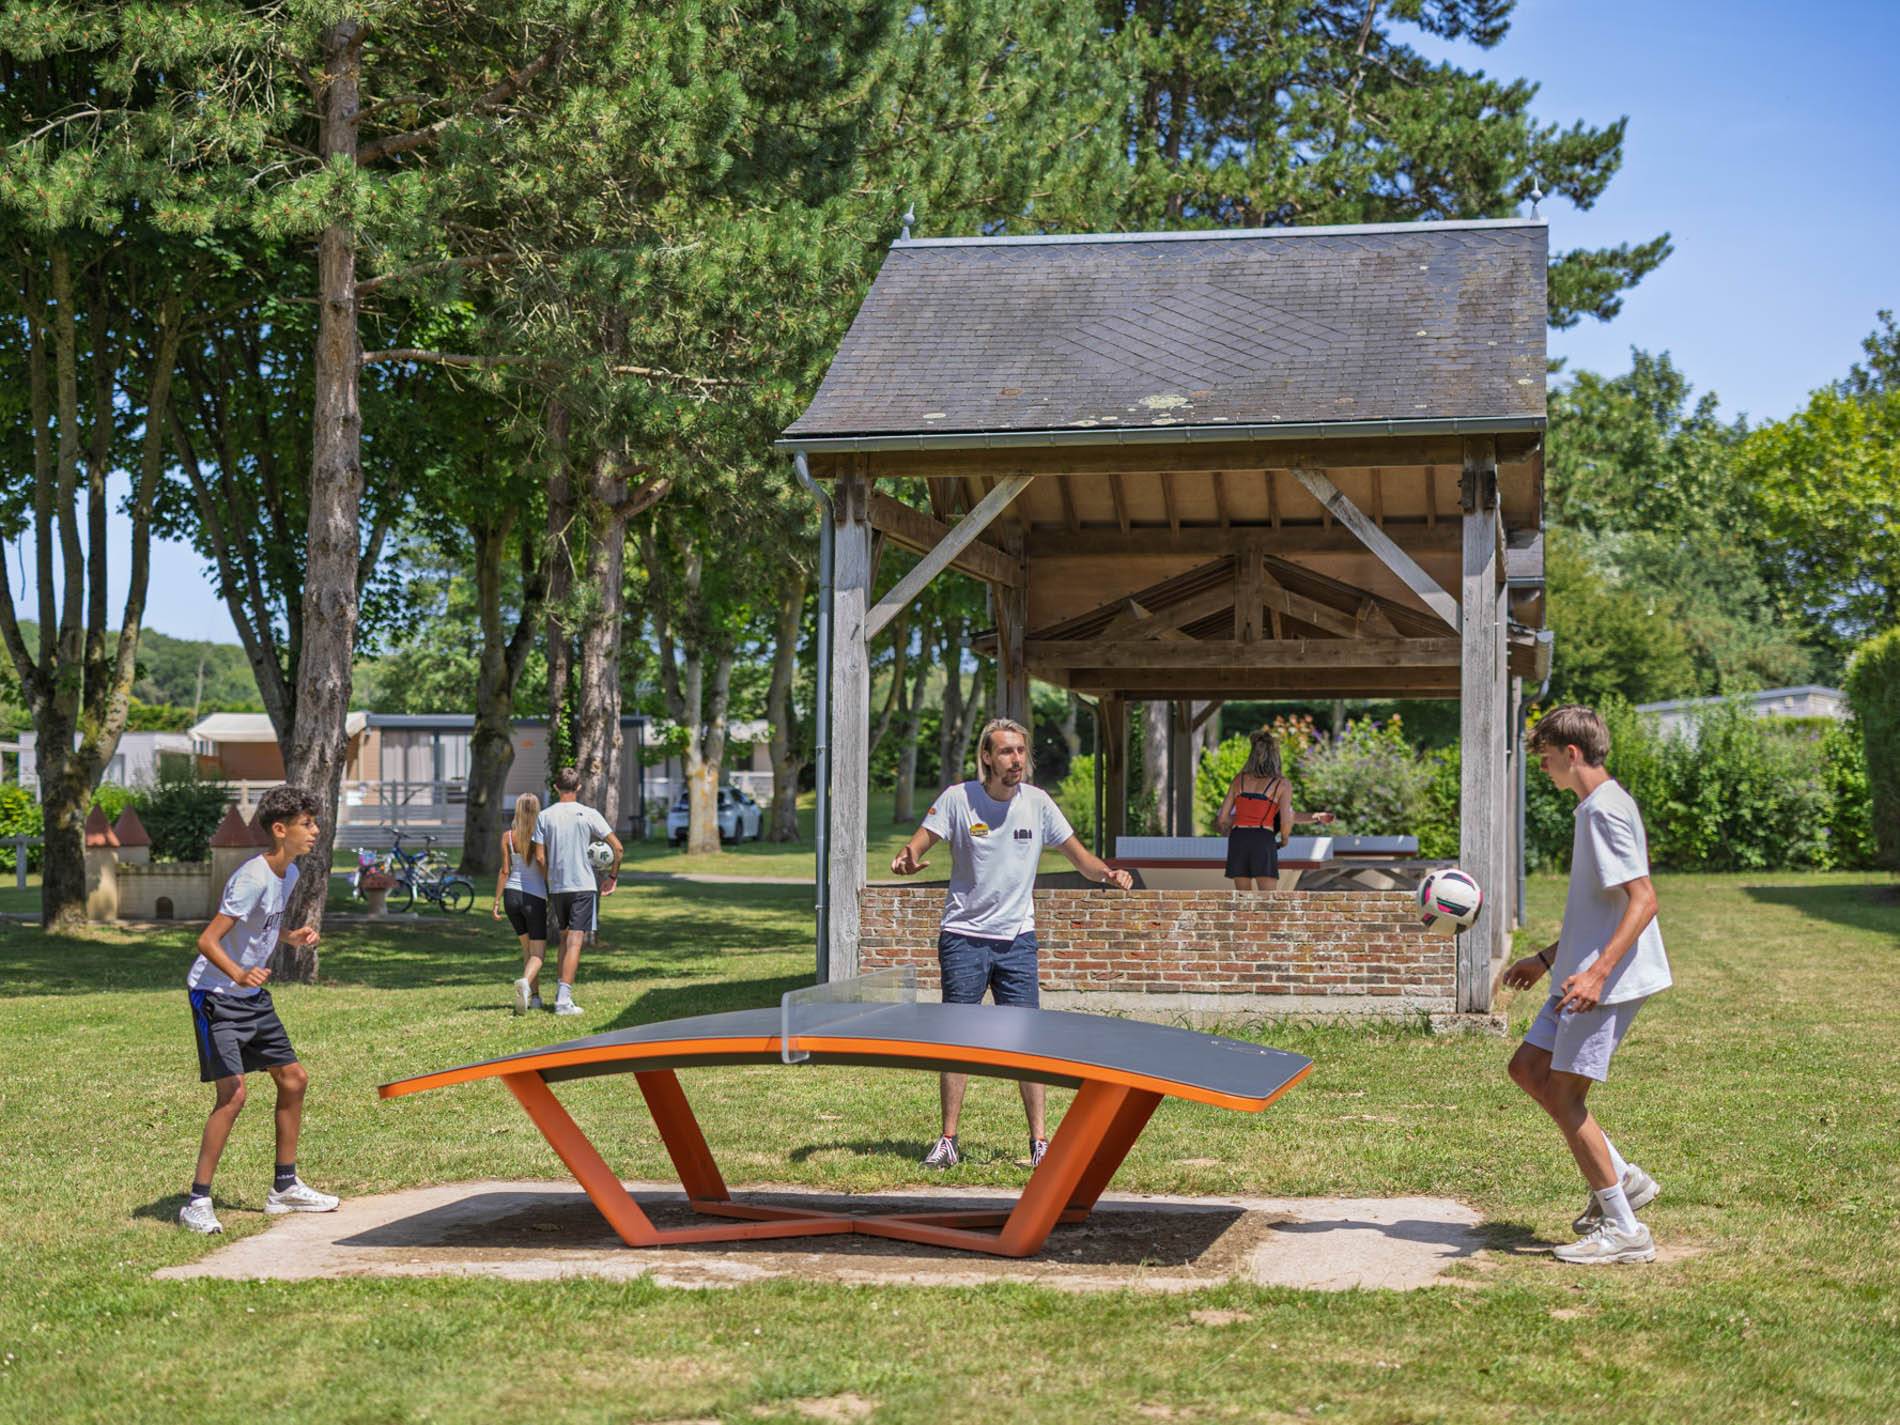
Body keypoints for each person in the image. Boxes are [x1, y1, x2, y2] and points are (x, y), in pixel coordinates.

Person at [891, 717, 1134, 1171]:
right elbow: (917, 846)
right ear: (987, 757)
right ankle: (948, 1140)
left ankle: (1040, 1143)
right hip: (963, 938)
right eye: (1006, 751)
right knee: (957, 1040)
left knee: (1028, 1040)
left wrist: (1107, 874)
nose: (1016, 759)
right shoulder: (959, 799)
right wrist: (908, 859)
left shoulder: (1038, 804)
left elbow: (1080, 858)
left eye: (1021, 751)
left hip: (1017, 940)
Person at [1499, 705, 1672, 1265]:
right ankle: (1625, 1179)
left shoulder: (1603, 812)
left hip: (1603, 983)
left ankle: (1624, 1229)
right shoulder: (1597, 806)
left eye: (1547, 759)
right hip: (1577, 974)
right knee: (1528, 1069)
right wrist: (1547, 958)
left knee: (1564, 1096)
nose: (1544, 769)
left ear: (1571, 754)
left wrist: (1597, 974)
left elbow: (1643, 900)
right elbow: (1601, 909)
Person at [178, 784, 340, 1233]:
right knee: (233, 1095)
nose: (315, 831)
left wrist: (289, 936)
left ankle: (284, 1188)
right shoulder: (251, 877)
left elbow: (259, 925)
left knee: (294, 1079)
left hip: (251, 999)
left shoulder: (288, 874)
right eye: (307, 824)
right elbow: (207, 940)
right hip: (215, 996)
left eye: (315, 823)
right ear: (280, 830)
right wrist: (239, 973)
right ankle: (196, 1202)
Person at [533, 767, 622, 1017]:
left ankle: (560, 995)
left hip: (558, 887)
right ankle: (563, 1001)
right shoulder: (589, 814)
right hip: (583, 886)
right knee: (574, 941)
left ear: (555, 787)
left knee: (564, 938)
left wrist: (549, 879)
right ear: (579, 787)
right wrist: (612, 877)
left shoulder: (544, 816)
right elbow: (618, 849)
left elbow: (540, 857)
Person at [1212, 728, 1334, 890]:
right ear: (1276, 757)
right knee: (1268, 899)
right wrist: (1284, 839)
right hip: (1263, 839)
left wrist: (1243, 821)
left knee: (1243, 898)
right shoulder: (1281, 784)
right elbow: (1286, 820)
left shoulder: (1238, 780)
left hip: (1238, 838)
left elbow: (1222, 818)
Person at [494, 792, 550, 1014]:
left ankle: (534, 998)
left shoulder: (507, 836)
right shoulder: (541, 835)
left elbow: (504, 871)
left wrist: (496, 902)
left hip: (511, 897)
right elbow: (542, 861)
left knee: (528, 950)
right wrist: (551, 884)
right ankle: (525, 983)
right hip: (533, 898)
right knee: (538, 954)